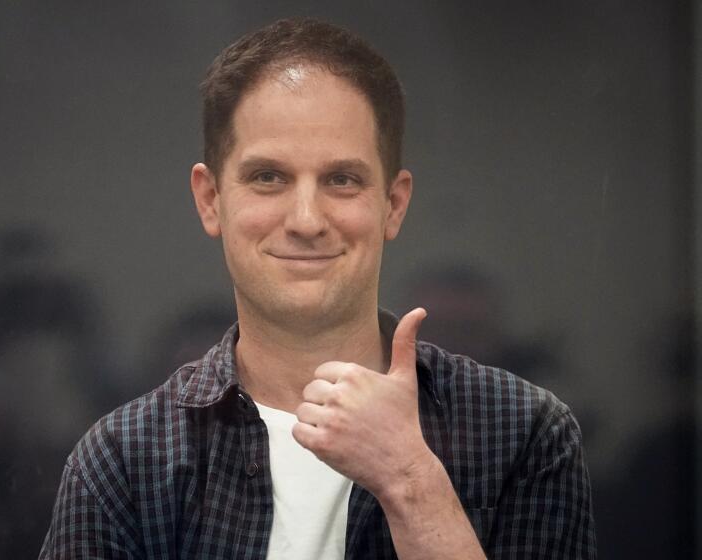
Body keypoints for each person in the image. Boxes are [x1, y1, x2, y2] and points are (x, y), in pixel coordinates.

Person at [39, 17, 596, 559]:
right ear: (211, 200)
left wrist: (410, 481)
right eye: (268, 177)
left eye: (342, 180)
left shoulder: (524, 432)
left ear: (393, 205)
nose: (306, 219)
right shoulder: (124, 461)